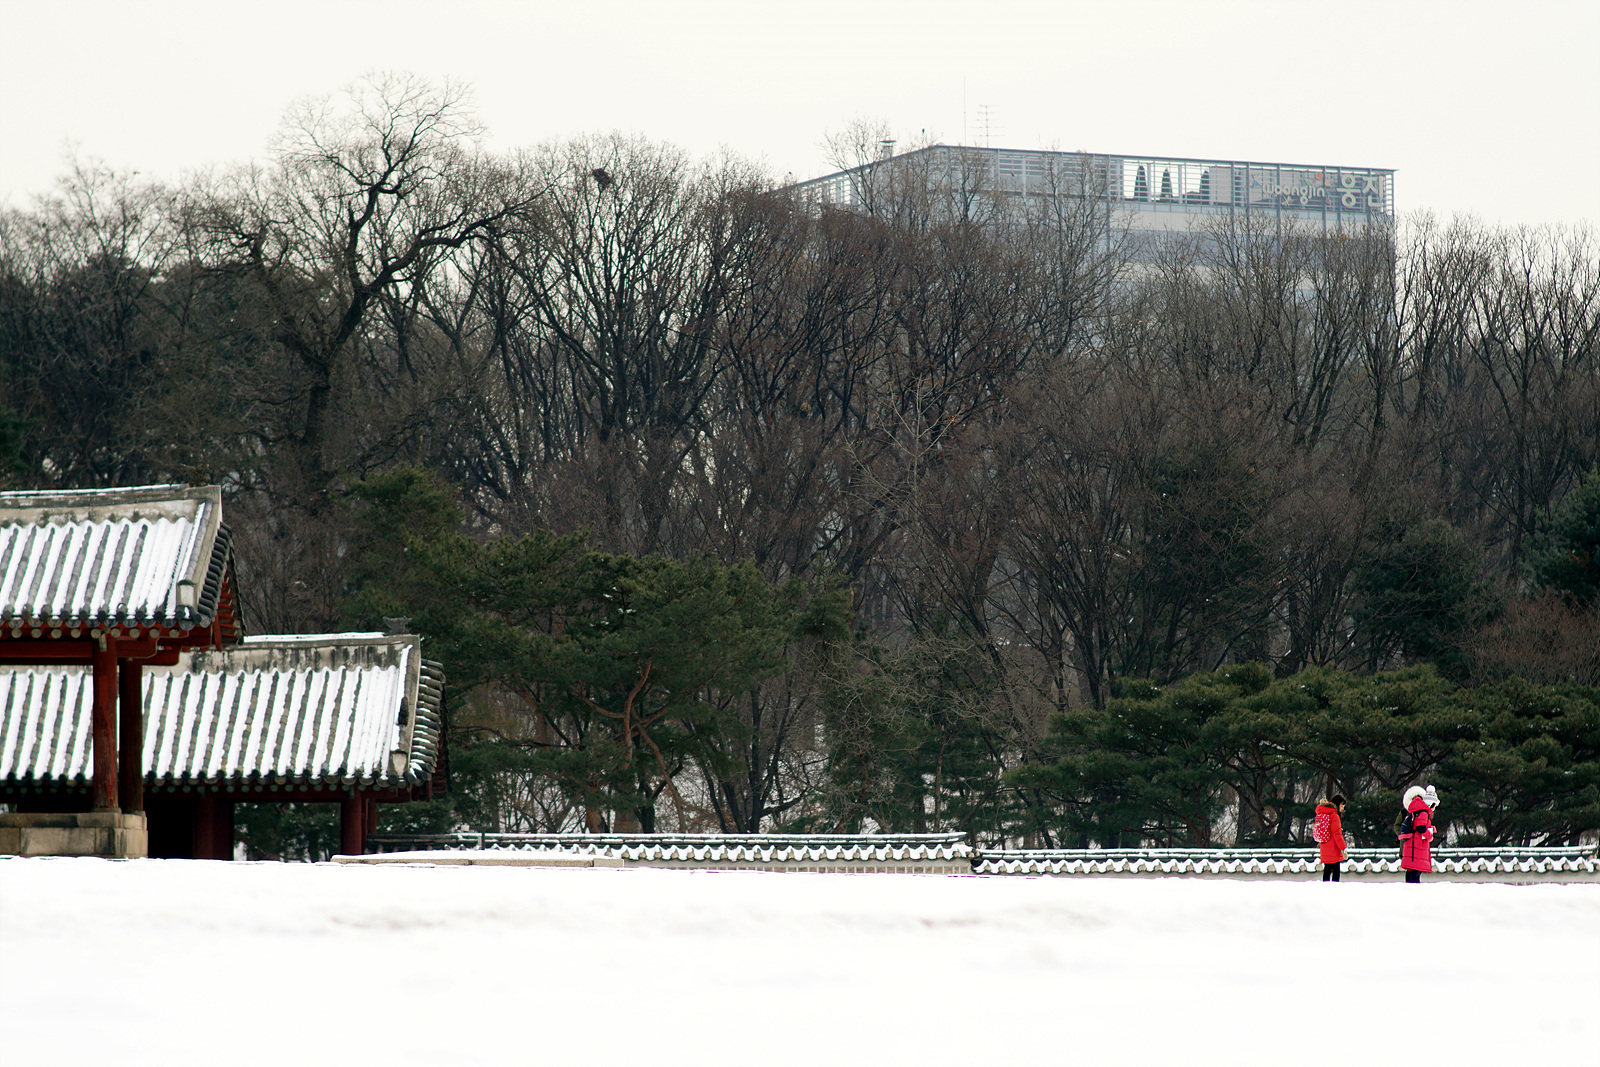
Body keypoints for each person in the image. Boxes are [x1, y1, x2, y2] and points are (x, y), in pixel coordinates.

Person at [1398, 784, 1439, 883]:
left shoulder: (1416, 810)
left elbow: (1418, 825)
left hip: (1411, 845)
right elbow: (1420, 827)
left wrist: (1431, 828)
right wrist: (1429, 836)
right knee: (1416, 873)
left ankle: (1408, 888)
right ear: (1431, 804)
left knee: (1410, 871)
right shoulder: (1424, 812)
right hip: (1417, 847)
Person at [1313, 794, 1348, 881]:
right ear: (1337, 804)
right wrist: (1343, 849)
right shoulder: (1334, 816)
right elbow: (1337, 834)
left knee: (1327, 870)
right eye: (1342, 805)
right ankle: (1334, 888)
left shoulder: (1324, 813)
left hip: (1324, 847)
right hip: (1333, 848)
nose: (1343, 808)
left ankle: (1325, 887)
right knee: (1336, 871)